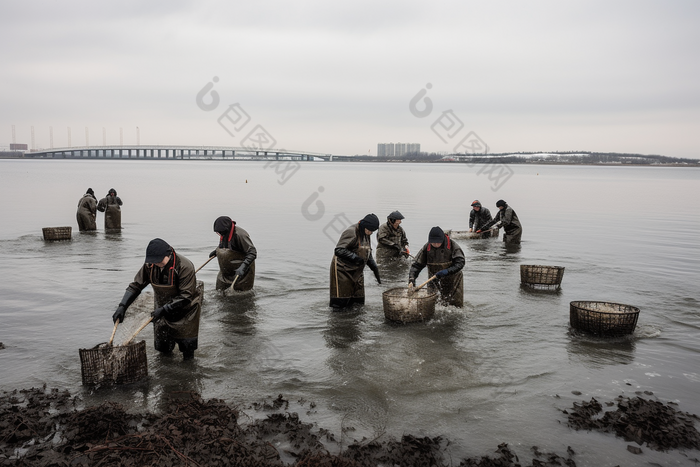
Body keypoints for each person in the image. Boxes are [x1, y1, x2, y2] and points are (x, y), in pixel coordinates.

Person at [112, 238, 202, 359]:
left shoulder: (185, 266)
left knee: (187, 354)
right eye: (153, 261)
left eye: (159, 261)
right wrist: (122, 306)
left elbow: (186, 296)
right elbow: (136, 286)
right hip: (161, 313)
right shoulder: (150, 265)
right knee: (163, 352)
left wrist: (164, 309)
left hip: (186, 313)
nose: (156, 264)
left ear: (168, 255)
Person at [330, 213, 382, 308]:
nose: (371, 233)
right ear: (364, 226)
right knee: (341, 303)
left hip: (357, 271)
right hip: (343, 270)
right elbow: (338, 250)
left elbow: (367, 252)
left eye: (372, 231)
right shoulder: (351, 232)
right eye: (370, 230)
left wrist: (374, 268)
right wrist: (356, 258)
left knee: (358, 302)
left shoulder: (366, 234)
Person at [408, 226, 465, 307]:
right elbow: (417, 265)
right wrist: (412, 278)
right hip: (434, 278)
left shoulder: (453, 246)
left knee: (454, 305)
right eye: (433, 243)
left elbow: (460, 263)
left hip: (453, 279)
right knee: (432, 304)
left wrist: (447, 271)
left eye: (438, 242)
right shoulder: (427, 247)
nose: (435, 244)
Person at [209, 216, 257, 291]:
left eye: (221, 232)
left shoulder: (240, 234)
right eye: (219, 232)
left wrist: (243, 267)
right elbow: (226, 245)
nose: (220, 234)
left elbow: (252, 252)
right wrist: (217, 251)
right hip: (226, 272)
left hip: (242, 272)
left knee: (241, 295)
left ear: (227, 229)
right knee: (219, 292)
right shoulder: (224, 233)